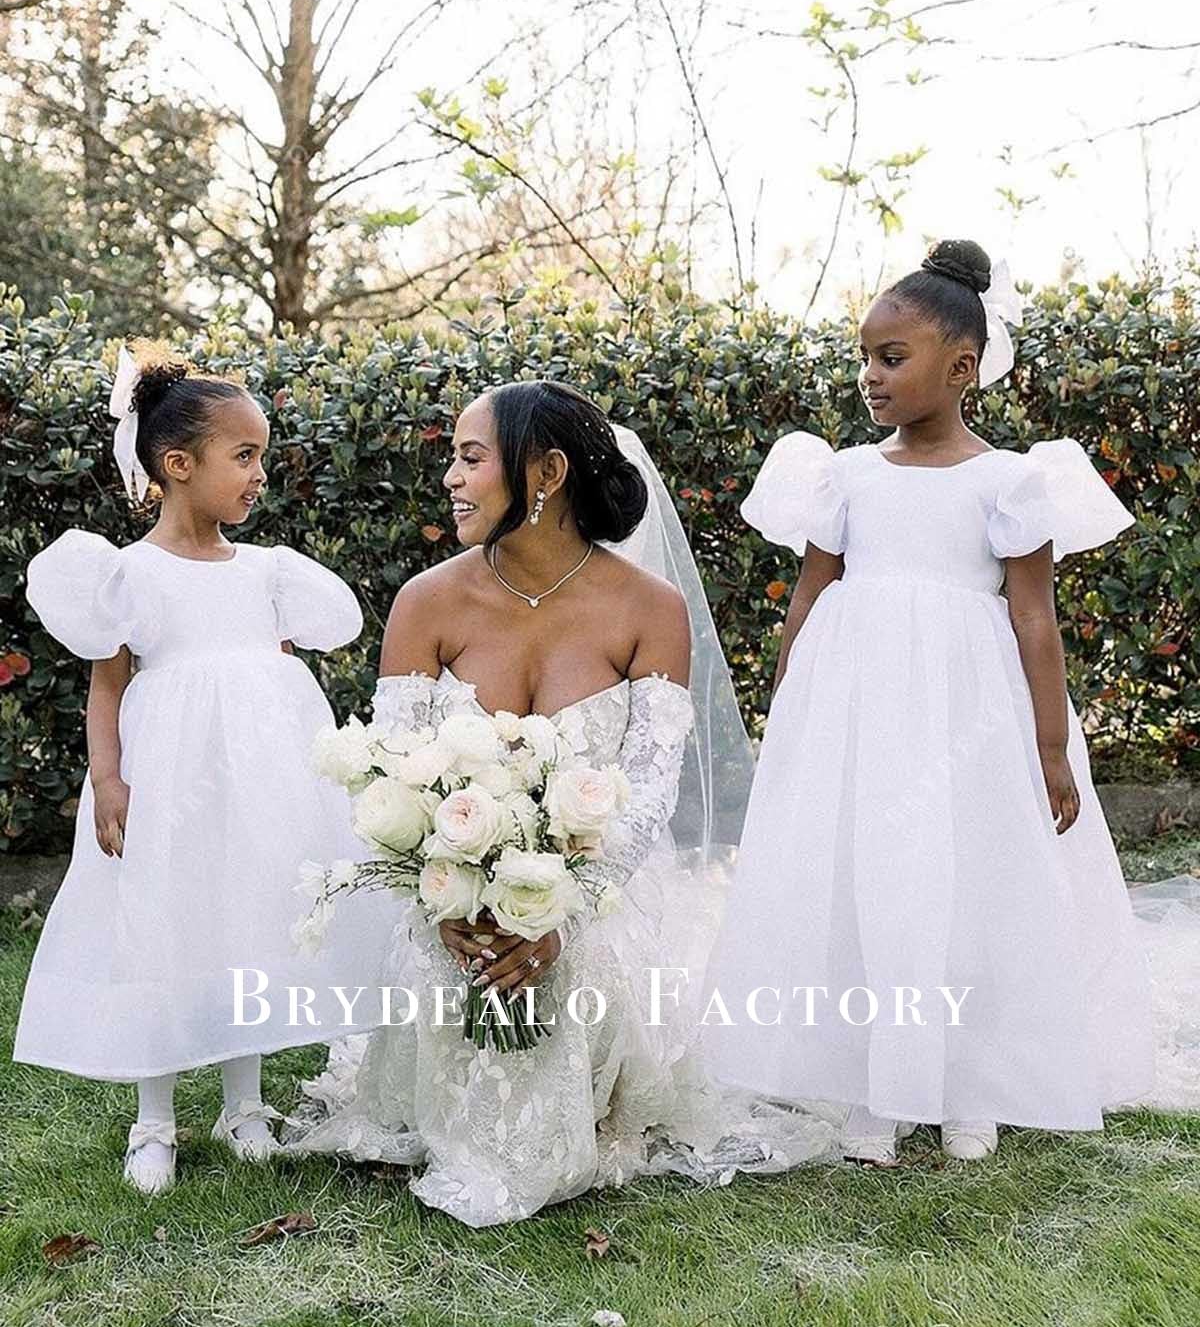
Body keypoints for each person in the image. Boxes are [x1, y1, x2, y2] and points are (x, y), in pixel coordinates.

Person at [283, 379, 840, 1224]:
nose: (451, 480)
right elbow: (393, 776)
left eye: (470, 459)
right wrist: (445, 900)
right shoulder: (424, 603)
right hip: (453, 907)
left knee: (584, 974)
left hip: (598, 894)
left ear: (544, 475)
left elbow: (648, 794)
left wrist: (557, 917)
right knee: (459, 980)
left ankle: (591, 1088)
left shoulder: (649, 609)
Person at [701, 239, 1157, 1166]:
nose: (871, 375)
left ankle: (966, 1080)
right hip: (861, 711)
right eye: (864, 356)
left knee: (965, 881)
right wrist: (789, 701)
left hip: (966, 714)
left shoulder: (1009, 481)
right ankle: (875, 1081)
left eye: (892, 357)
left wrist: (1051, 747)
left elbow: (1033, 620)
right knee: (870, 877)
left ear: (962, 367)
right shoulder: (848, 475)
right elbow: (812, 593)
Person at [15, 347, 392, 1195]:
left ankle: (243, 1104)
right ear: (177, 466)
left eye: (262, 455)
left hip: (259, 779)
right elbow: (107, 689)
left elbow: (274, 670)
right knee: (166, 922)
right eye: (244, 456)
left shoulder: (265, 572)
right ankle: (155, 1118)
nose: (261, 474)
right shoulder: (127, 574)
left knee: (250, 915)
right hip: (169, 777)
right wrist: (108, 780)